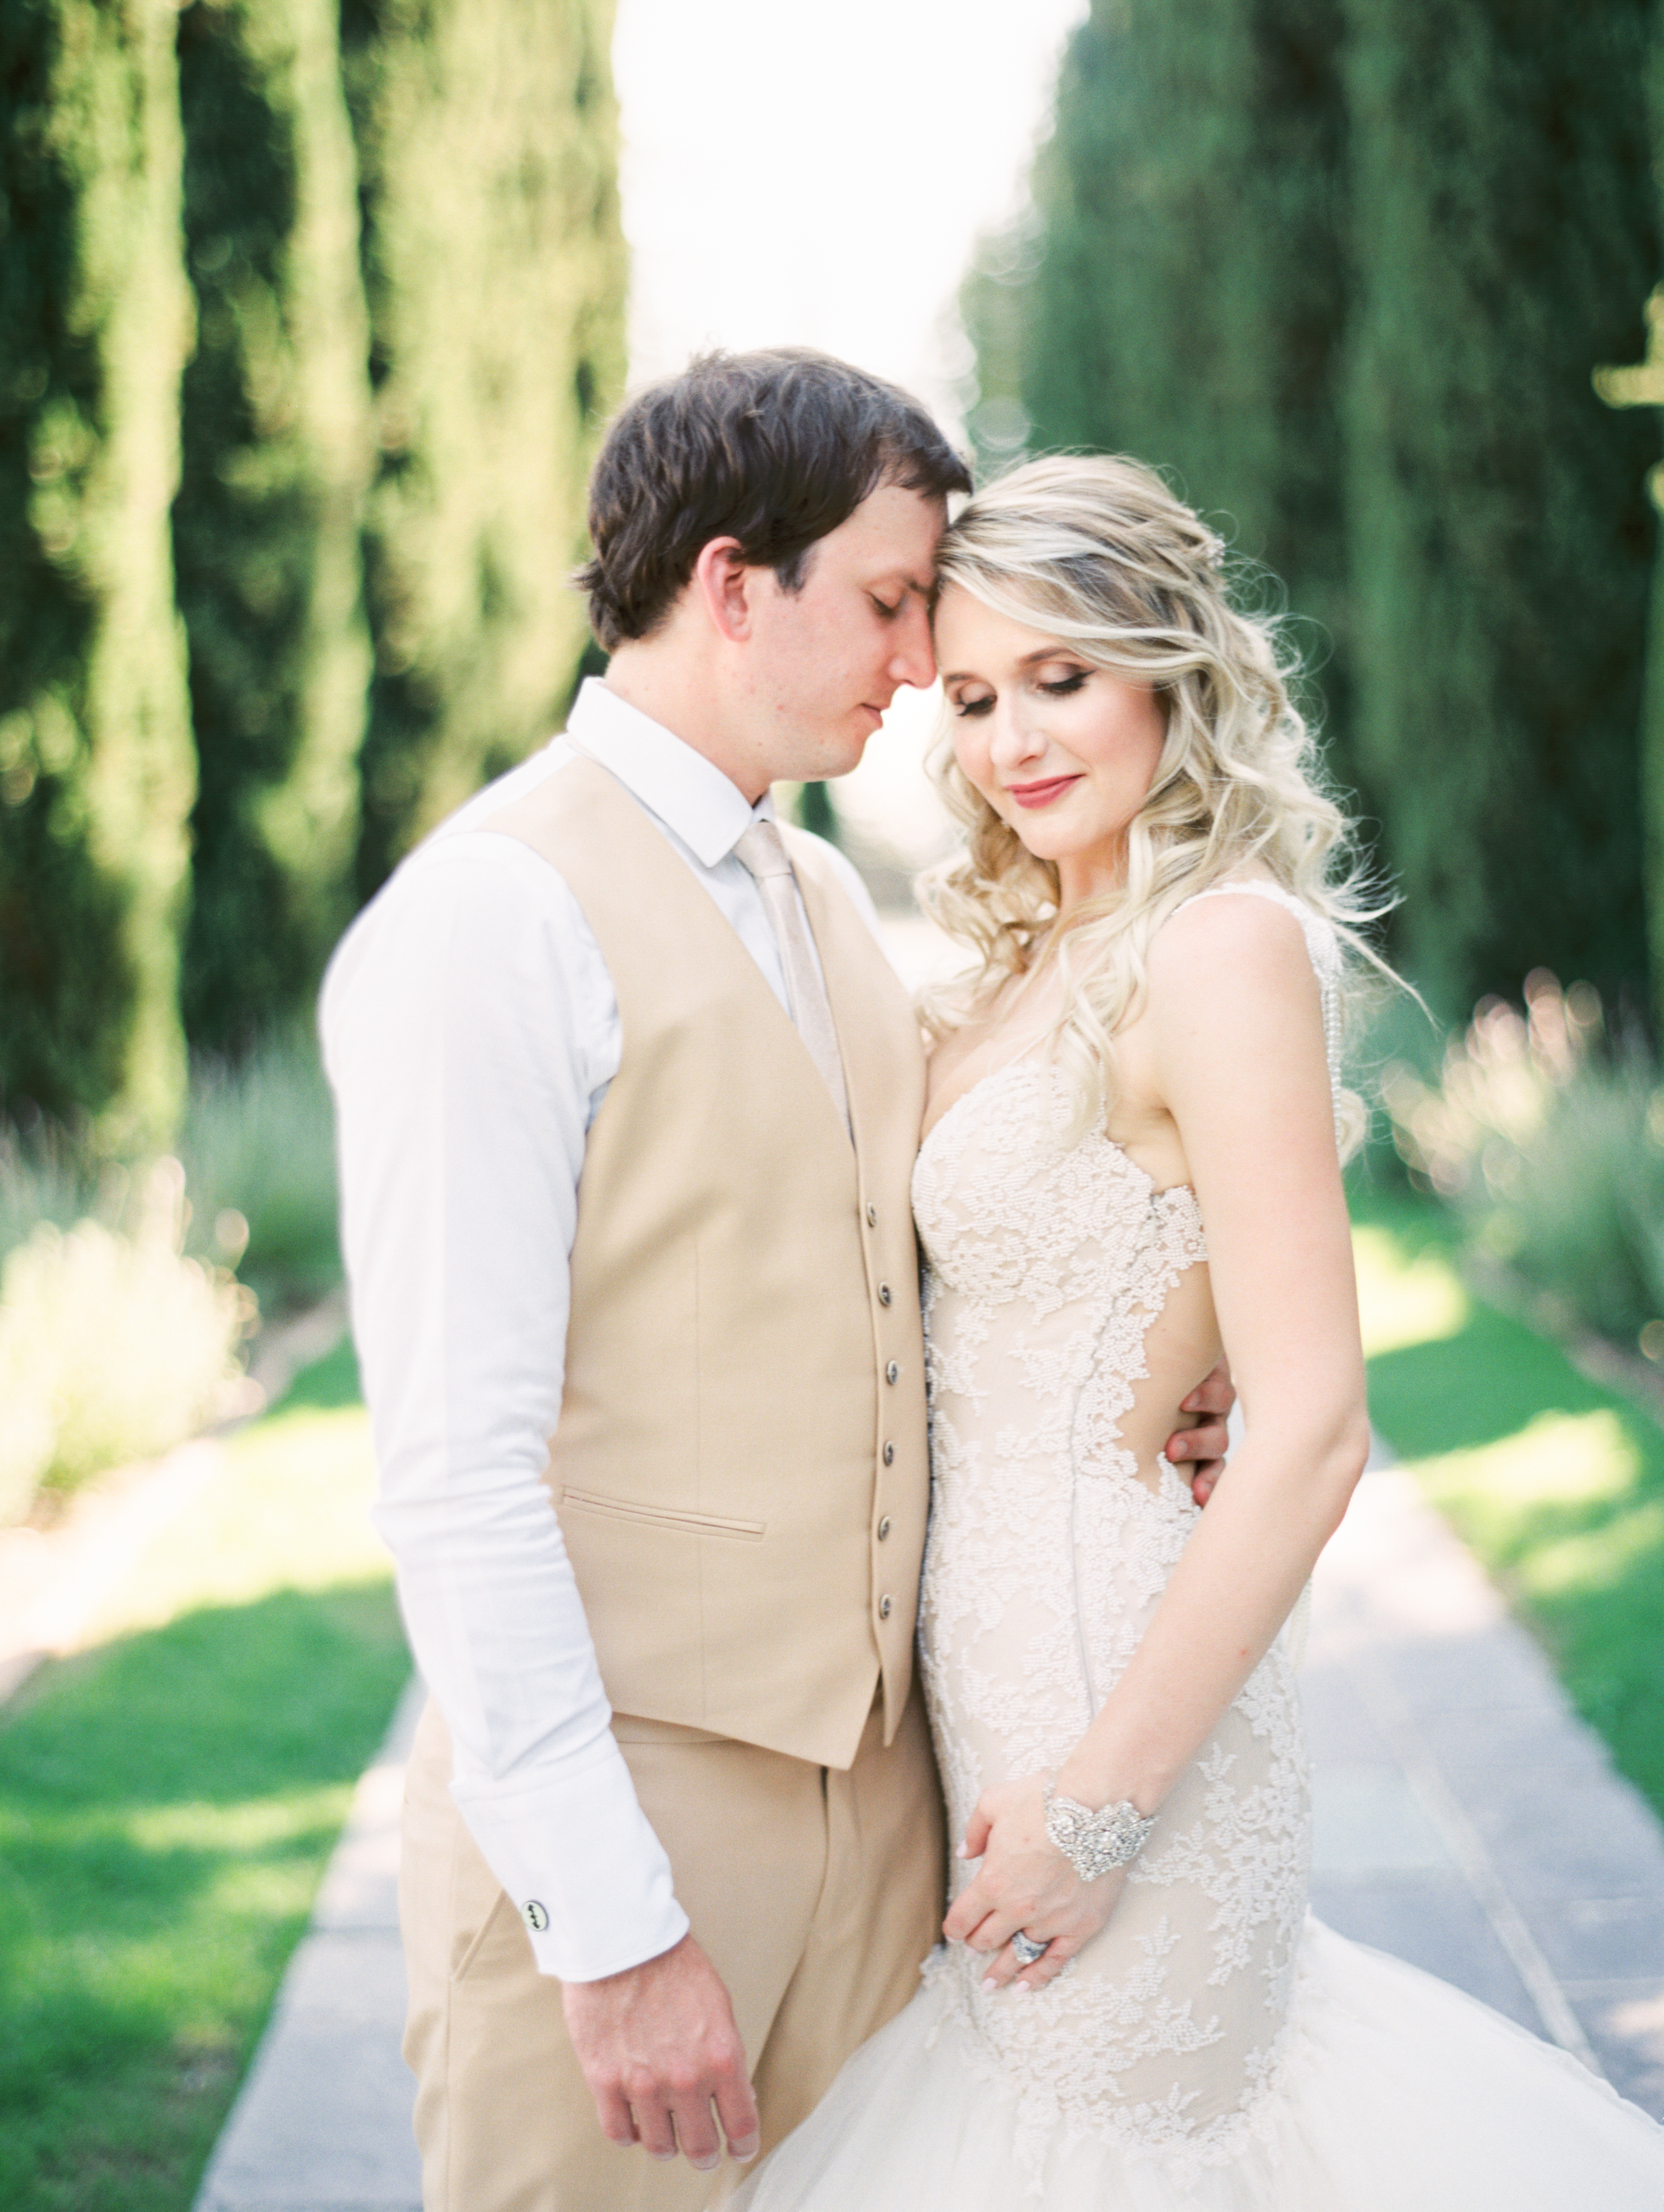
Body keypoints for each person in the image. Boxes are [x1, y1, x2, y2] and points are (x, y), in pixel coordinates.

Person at [321, 353, 1234, 2212]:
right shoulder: (492, 918)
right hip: (640, 1835)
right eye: (893, 602)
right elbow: (455, 1468)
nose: (922, 666)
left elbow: (900, 1266)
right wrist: (611, 1924)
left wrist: (1176, 1360)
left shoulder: (823, 902)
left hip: (896, 1827)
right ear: (736, 585)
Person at [734, 454, 1664, 2211]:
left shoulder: (1221, 945)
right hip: (983, 1698)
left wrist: (1100, 1813)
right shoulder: (1013, 964)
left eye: (1065, 679)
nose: (1017, 738)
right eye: (981, 694)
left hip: (1125, 1719)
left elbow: (1312, 1428)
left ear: (1169, 664)